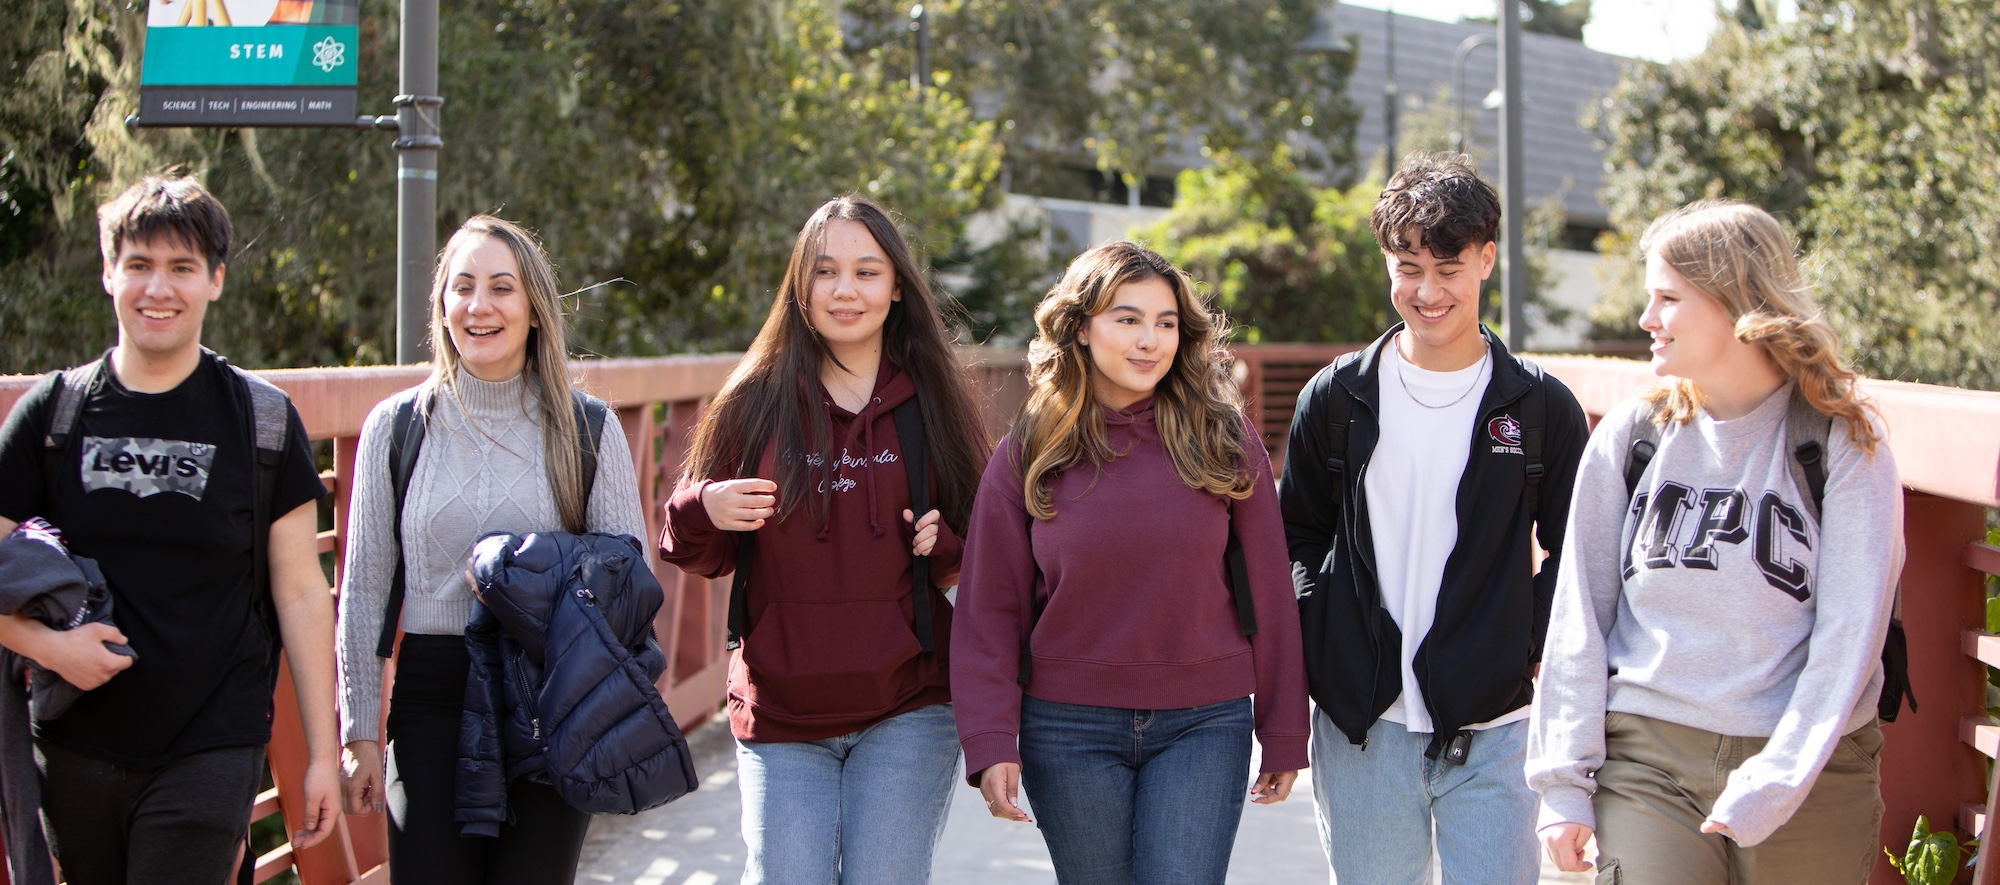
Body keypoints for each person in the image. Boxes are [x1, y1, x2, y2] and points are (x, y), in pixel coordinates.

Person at [1528, 200, 1901, 884]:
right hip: (1648, 760)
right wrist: (1562, 782)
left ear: (1738, 302)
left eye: (1668, 297)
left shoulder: (1840, 441)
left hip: (1810, 769)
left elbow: (1852, 633)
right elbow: (1580, 613)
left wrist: (1780, 776)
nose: (1646, 319)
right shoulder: (1633, 437)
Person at [0, 175, 340, 885]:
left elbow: (304, 593)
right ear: (108, 273)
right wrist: (49, 646)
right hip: (74, 741)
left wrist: (319, 752)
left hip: (212, 741)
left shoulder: (263, 420)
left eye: (182, 267)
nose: (160, 287)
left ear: (215, 280)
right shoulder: (52, 416)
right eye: (140, 265)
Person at [953, 241, 1309, 884]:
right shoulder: (1030, 450)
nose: (1150, 340)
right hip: (1065, 727)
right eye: (1127, 319)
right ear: (1081, 329)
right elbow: (988, 608)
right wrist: (989, 738)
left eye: (1166, 323)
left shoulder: (1224, 441)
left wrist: (1284, 729)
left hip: (1204, 723)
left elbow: (1271, 592)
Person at [658, 196, 990, 884]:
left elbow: (990, 545)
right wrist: (705, 506)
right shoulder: (755, 400)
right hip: (781, 704)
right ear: (799, 287)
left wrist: (949, 545)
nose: (846, 290)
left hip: (909, 700)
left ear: (896, 286)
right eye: (826, 271)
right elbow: (690, 545)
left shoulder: (931, 399)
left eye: (867, 272)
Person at [1278, 151, 1589, 885]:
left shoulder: (1539, 407)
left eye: (1448, 268)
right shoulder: (1336, 398)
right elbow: (1296, 533)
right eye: (1408, 267)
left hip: (1497, 730)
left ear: (1486, 260)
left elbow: (1579, 547)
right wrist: (1326, 629)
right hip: (1363, 729)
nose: (1427, 290)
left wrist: (1527, 641)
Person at [334, 215, 649, 883]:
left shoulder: (586, 428)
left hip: (547, 697)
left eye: (502, 287)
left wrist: (531, 583)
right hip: (430, 700)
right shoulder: (396, 427)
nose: (480, 306)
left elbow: (629, 584)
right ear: (442, 304)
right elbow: (362, 587)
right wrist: (359, 730)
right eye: (463, 286)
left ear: (534, 307)